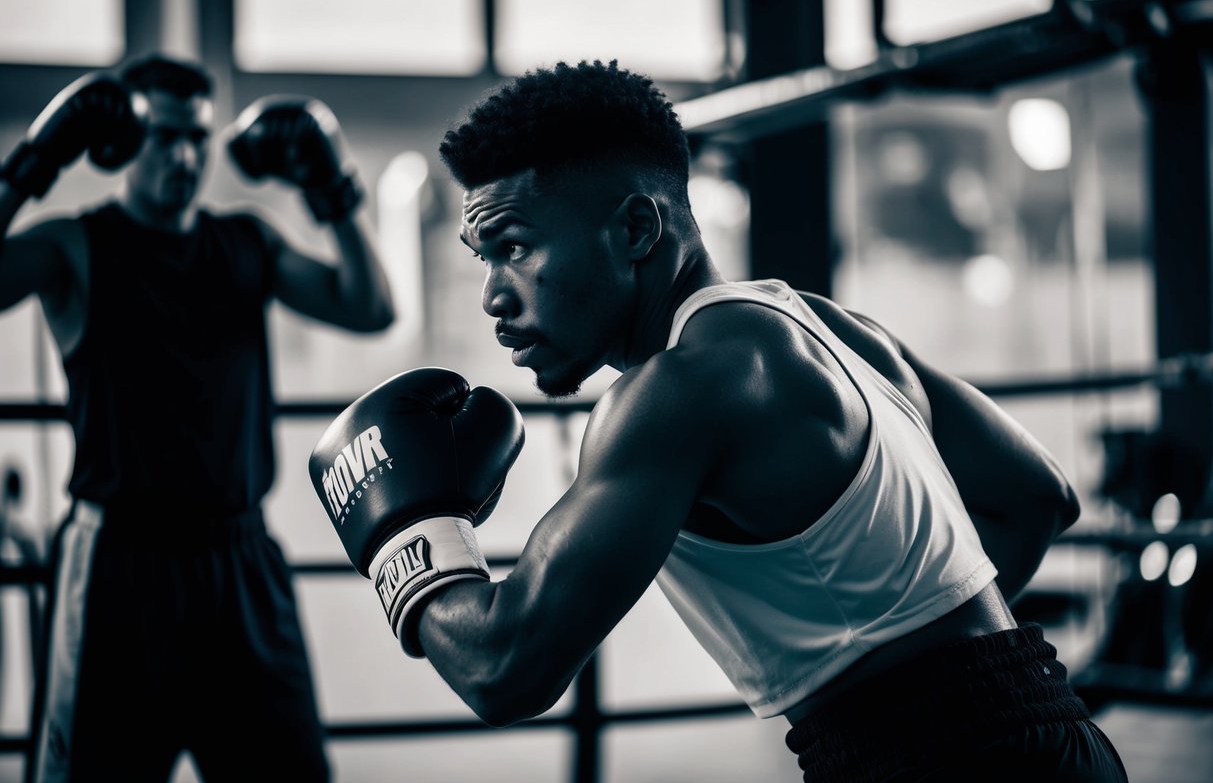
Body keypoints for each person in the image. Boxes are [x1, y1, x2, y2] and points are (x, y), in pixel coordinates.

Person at [308, 60, 1127, 781]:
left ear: (634, 228)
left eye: (514, 247)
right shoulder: (825, 326)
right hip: (1056, 739)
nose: (492, 294)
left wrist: (404, 533)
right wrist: (912, 657)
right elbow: (1037, 498)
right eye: (481, 257)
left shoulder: (676, 391)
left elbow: (501, 667)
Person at [0, 53, 395, 782]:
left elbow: (369, 306)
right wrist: (34, 163)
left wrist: (328, 186)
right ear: (123, 142)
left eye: (197, 138)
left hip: (242, 561)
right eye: (163, 136)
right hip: (120, 567)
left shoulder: (248, 241)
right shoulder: (76, 247)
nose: (183, 156)